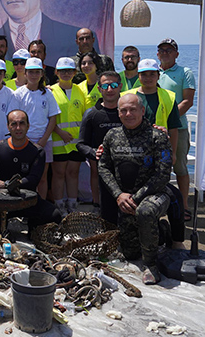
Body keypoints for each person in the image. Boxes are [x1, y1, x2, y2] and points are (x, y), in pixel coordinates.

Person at [98, 94, 172, 285]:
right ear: (118, 112)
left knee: (144, 212)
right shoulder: (112, 136)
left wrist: (136, 197)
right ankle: (162, 233)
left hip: (155, 194)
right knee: (130, 253)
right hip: (125, 197)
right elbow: (103, 166)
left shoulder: (158, 136)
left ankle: (151, 265)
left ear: (142, 111)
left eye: (132, 109)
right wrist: (118, 194)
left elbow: (162, 174)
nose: (128, 113)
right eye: (124, 110)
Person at [0, 110, 63, 230]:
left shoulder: (37, 151)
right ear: (8, 127)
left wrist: (6, 184)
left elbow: (33, 179)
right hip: (1, 202)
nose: (18, 128)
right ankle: (1, 224)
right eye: (14, 124)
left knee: (54, 215)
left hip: (26, 201)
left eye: (22, 123)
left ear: (28, 126)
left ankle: (32, 227)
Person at [156, 38, 196, 219]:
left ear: (176, 54)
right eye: (162, 50)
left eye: (169, 50)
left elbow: (187, 101)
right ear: (157, 54)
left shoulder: (185, 72)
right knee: (155, 168)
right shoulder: (151, 72)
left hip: (177, 129)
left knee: (179, 167)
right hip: (155, 130)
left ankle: (184, 206)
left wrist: (168, 120)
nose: (165, 52)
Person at [11, 57, 59, 199]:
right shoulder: (18, 94)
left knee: (42, 177)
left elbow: (53, 118)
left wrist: (44, 139)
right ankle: (23, 207)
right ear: (25, 73)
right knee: (23, 177)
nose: (34, 75)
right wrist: (24, 139)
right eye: (30, 72)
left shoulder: (48, 94)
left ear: (42, 74)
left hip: (45, 141)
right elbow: (14, 119)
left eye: (37, 72)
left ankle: (41, 207)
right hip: (24, 142)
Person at [77, 71, 123, 217]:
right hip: (102, 170)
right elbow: (81, 144)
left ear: (120, 87)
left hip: (127, 170)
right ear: (99, 88)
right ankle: (97, 206)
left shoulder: (127, 111)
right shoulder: (92, 114)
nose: (110, 89)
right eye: (106, 86)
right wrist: (93, 153)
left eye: (114, 85)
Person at [49, 57, 88, 214]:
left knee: (73, 173)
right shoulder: (49, 91)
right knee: (58, 174)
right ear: (56, 72)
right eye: (62, 71)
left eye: (69, 71)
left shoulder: (79, 90)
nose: (66, 73)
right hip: (58, 140)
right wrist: (59, 132)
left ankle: (72, 205)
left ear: (74, 72)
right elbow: (48, 117)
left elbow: (84, 114)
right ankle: (59, 206)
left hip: (76, 141)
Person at [124, 59, 179, 155]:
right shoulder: (126, 96)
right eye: (144, 74)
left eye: (152, 74)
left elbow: (173, 129)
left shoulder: (169, 97)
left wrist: (173, 153)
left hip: (158, 149)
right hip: (132, 148)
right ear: (138, 76)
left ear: (158, 76)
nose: (148, 78)